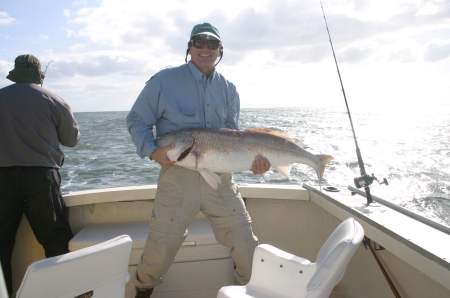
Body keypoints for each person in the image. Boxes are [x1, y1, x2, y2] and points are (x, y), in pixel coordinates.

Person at [126, 22, 271, 297]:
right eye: (199, 42)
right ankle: (143, 289)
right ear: (189, 47)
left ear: (220, 50)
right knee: (160, 247)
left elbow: (234, 135)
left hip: (221, 181)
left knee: (246, 245)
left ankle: (243, 291)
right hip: (177, 179)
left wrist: (255, 164)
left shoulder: (229, 89)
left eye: (212, 44)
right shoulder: (163, 81)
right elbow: (136, 120)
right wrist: (152, 150)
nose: (205, 48)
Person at [0, 54, 80, 296]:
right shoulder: (54, 99)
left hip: (2, 179)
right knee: (55, 240)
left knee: (1, 244)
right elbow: (72, 140)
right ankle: (62, 293)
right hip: (42, 179)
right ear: (38, 74)